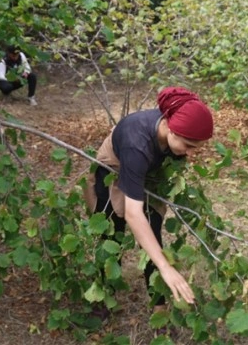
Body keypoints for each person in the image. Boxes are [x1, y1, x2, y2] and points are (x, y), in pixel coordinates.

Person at [84, 86, 214, 315]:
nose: (191, 154)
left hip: (148, 172)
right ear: (170, 129)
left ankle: (159, 307)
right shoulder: (137, 145)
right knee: (111, 233)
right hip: (113, 169)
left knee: (153, 235)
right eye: (188, 146)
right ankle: (103, 296)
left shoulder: (171, 131)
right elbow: (134, 214)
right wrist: (166, 267)